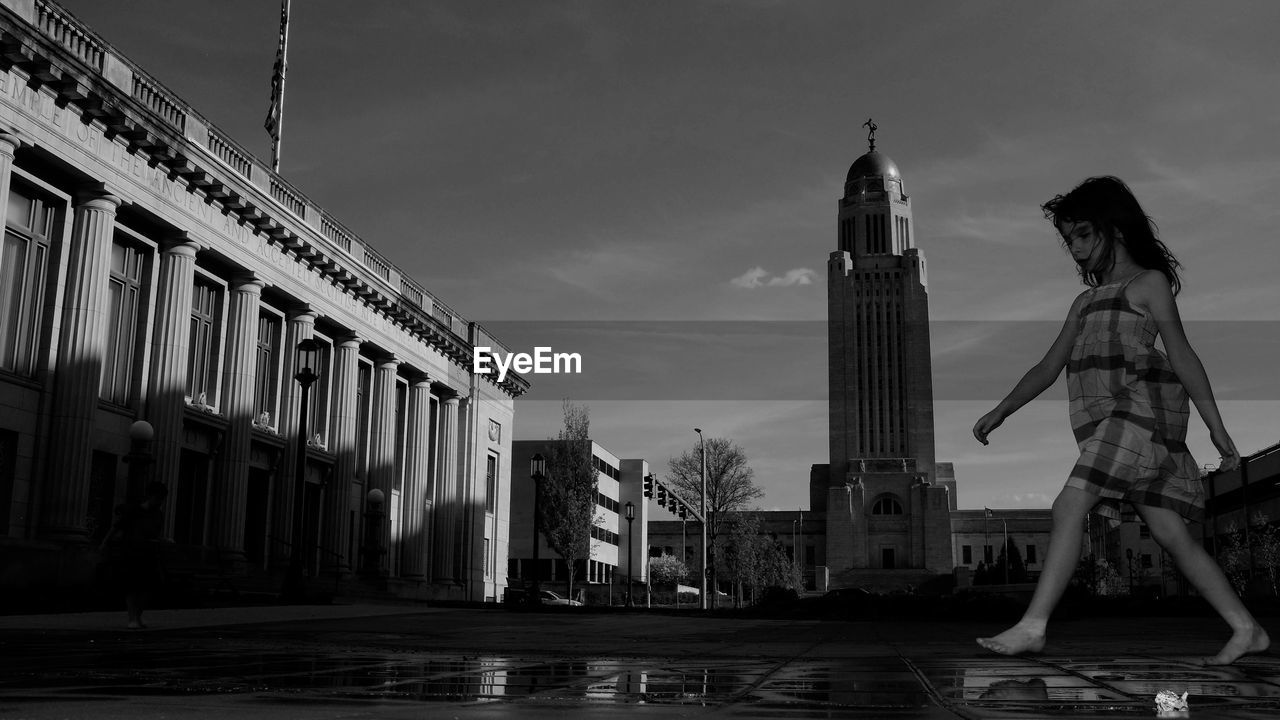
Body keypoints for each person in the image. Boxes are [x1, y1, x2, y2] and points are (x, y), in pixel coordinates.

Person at [972, 176, 1269, 665]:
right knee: (1171, 535)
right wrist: (1002, 409)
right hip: (1109, 424)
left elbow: (1184, 355)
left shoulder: (1147, 285)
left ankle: (1033, 624)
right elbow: (1048, 367)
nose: (1075, 249)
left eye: (1084, 234)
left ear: (1116, 228)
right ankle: (1247, 628)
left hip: (1141, 414)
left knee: (1070, 504)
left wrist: (1218, 429)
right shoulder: (1083, 303)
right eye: (1069, 240)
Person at [102, 481, 168, 629]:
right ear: (150, 496)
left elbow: (156, 533)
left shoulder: (158, 514)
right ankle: (132, 617)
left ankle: (138, 615)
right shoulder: (134, 511)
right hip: (132, 551)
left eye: (162, 499)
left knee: (148, 586)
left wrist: (161, 541)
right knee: (132, 585)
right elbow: (117, 526)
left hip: (149, 552)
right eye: (158, 498)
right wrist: (105, 543)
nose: (160, 502)